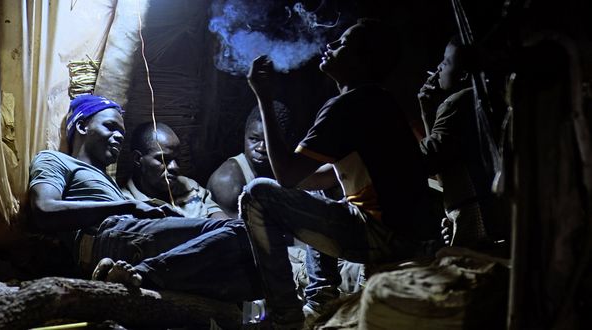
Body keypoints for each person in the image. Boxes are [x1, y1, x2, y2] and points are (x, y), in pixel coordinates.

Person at [240, 18, 434, 328]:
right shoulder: (379, 100)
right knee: (316, 189)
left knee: (256, 195)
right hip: (409, 234)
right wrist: (296, 187)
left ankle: (285, 317)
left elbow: (286, 176)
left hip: (383, 237)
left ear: (362, 62)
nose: (330, 47)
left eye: (342, 44)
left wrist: (263, 97)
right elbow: (323, 176)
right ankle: (322, 298)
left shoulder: (347, 105)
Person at [28, 94, 261, 304]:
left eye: (122, 131)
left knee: (248, 271)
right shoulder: (55, 160)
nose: (118, 136)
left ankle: (132, 274)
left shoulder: (109, 183)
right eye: (110, 127)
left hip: (126, 238)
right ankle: (143, 274)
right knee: (243, 233)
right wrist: (130, 206)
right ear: (81, 126)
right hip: (107, 235)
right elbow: (44, 211)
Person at [417, 35, 500, 247]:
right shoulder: (483, 98)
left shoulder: (457, 102)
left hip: (476, 214)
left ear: (463, 74)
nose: (438, 68)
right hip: (493, 208)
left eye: (445, 62)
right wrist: (428, 113)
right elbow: (442, 169)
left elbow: (431, 158)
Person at [123, 121, 227, 219]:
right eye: (164, 159)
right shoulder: (126, 204)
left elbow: (224, 223)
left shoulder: (190, 187)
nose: (175, 167)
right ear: (137, 159)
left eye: (177, 159)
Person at [207, 101, 292, 218]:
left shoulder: (288, 169)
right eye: (253, 139)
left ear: (285, 143)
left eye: (270, 142)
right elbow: (241, 232)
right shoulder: (227, 181)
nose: (261, 148)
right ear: (245, 135)